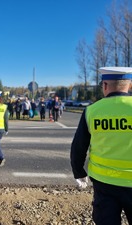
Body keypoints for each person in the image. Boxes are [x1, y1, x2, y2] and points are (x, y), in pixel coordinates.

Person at [70, 67, 132, 225]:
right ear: (129, 85)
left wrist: (79, 172)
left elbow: (78, 146)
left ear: (105, 85)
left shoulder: (92, 111)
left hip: (104, 183)